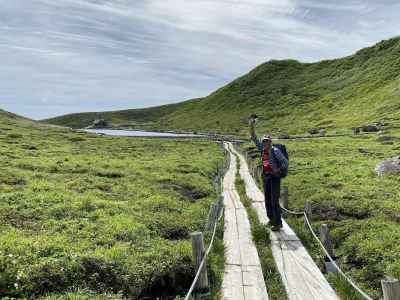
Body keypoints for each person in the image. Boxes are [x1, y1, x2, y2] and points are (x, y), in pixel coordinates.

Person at [249, 117, 288, 231]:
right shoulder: (262, 149)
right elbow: (254, 138)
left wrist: (278, 171)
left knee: (274, 200)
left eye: (267, 141)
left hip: (274, 178)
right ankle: (271, 219)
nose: (265, 142)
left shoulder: (275, 150)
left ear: (270, 142)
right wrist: (251, 126)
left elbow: (285, 162)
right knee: (267, 200)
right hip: (266, 177)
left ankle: (278, 223)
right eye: (264, 141)